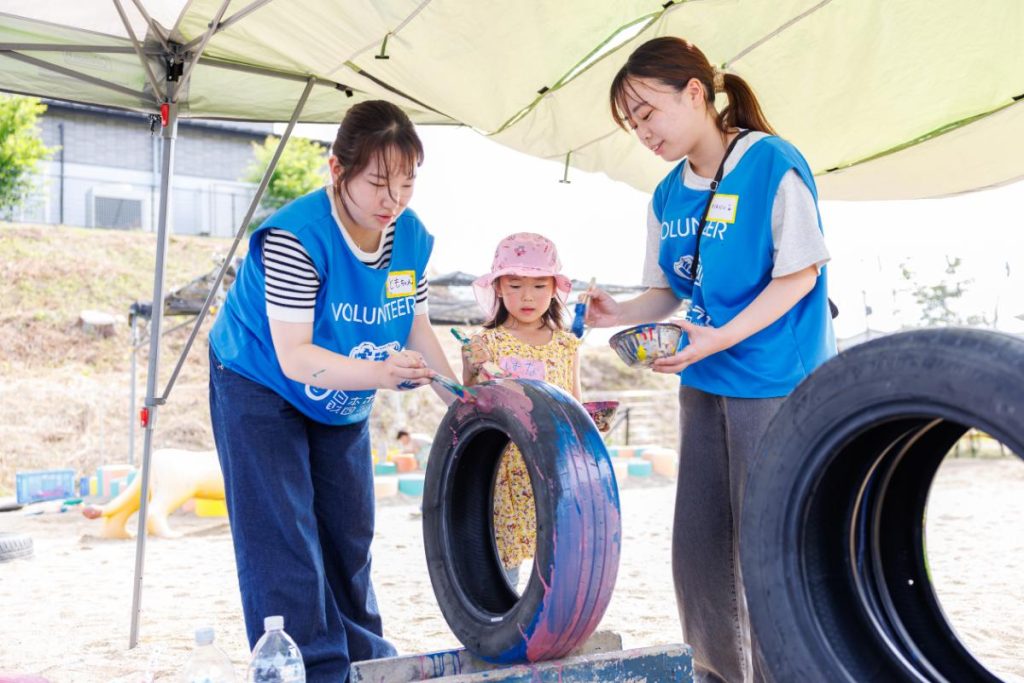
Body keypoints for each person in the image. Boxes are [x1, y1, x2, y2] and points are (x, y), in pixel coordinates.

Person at [588, 37, 837, 683]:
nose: (643, 132)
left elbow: (800, 276)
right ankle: (717, 674)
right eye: (631, 122)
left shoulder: (771, 162)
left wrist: (715, 338)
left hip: (775, 380)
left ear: (695, 92)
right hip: (703, 381)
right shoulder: (668, 194)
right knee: (698, 556)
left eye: (648, 112)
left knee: (770, 550)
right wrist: (616, 311)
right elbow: (668, 290)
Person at [207, 100, 457, 682]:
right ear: (336, 170)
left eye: (405, 182)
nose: (391, 199)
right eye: (376, 182)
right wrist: (381, 374)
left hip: (343, 387)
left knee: (349, 528)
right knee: (284, 532)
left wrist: (460, 397)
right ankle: (313, 669)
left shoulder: (410, 238)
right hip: (260, 380)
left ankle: (364, 659)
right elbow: (295, 357)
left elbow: (415, 322)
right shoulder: (298, 235)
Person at [461, 233, 582, 587]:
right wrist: (471, 368)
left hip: (554, 466)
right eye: (515, 285)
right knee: (503, 559)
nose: (527, 297)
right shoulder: (483, 343)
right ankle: (504, 627)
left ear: (554, 289)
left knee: (559, 554)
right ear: (498, 287)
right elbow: (468, 405)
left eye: (539, 285)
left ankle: (556, 630)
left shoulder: (567, 345)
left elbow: (576, 401)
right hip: (502, 467)